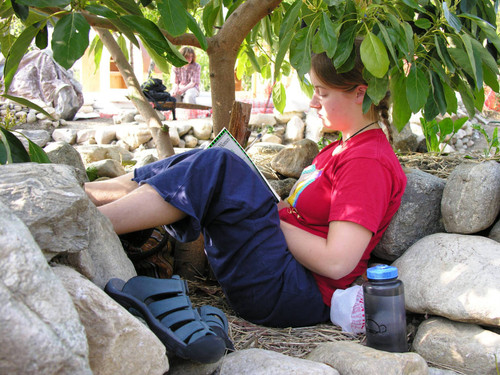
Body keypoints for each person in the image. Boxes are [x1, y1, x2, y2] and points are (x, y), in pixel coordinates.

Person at [85, 40, 406, 328]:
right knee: (210, 158)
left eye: (322, 93)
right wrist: (268, 202)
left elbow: (337, 262)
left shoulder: (367, 162)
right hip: (280, 270)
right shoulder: (342, 149)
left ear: (360, 92)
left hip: (295, 292)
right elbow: (305, 219)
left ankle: (89, 222)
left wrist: (266, 215)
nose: (313, 103)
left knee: (218, 165)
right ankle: (91, 196)